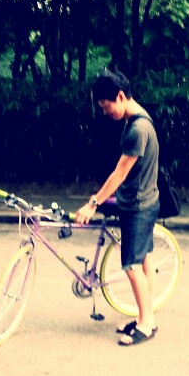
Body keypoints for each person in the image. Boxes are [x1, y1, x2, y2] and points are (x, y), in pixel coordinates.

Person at [74, 70, 160, 347]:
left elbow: (120, 173)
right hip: (144, 200)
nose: (104, 112)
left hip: (138, 205)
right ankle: (146, 314)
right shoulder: (137, 120)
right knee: (143, 259)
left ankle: (147, 324)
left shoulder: (137, 129)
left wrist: (93, 203)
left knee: (132, 265)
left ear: (120, 96)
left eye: (105, 105)